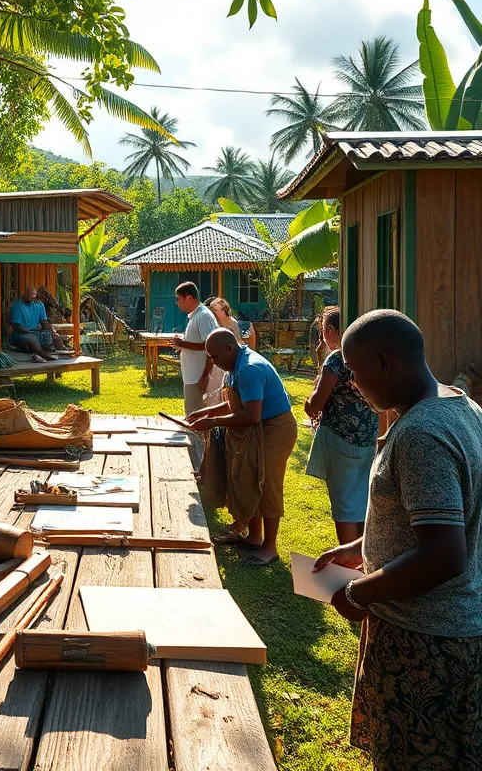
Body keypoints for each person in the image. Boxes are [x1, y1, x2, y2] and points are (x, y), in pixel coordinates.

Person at [313, 310, 482, 770]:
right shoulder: (463, 407)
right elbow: (443, 518)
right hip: (452, 628)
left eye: (355, 371)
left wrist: (358, 592)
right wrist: (361, 549)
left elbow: (443, 555)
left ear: (385, 362)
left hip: (424, 641)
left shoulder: (420, 434)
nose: (354, 384)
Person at [186, 327, 298, 566]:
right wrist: (203, 413)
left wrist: (212, 422)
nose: (214, 362)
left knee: (267, 484)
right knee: (250, 476)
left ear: (229, 348)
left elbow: (250, 414)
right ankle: (254, 537)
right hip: (258, 426)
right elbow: (233, 404)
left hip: (275, 428)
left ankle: (270, 547)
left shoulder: (249, 368)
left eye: (215, 357)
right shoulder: (233, 366)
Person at [304, 306, 378, 545]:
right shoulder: (370, 353)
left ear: (332, 330)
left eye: (323, 332)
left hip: (341, 440)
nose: (322, 337)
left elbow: (316, 402)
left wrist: (308, 406)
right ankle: (363, 558)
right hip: (368, 438)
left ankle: (348, 565)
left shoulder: (337, 359)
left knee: (345, 506)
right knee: (362, 502)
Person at [171, 282, 218, 471]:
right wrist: (182, 343)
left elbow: (211, 347)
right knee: (194, 418)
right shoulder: (196, 316)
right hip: (192, 376)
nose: (178, 304)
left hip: (198, 377)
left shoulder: (203, 316)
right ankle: (200, 462)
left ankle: (200, 465)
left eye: (179, 299)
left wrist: (205, 375)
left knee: (196, 420)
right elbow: (198, 342)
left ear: (188, 297)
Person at [204, 296, 243, 405]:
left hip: (227, 360)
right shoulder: (214, 323)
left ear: (224, 310)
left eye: (215, 310)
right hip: (217, 359)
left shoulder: (232, 323)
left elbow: (238, 342)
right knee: (213, 386)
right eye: (211, 311)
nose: (213, 313)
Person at [9, 285, 59, 362]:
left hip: (34, 332)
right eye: (29, 295)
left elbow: (44, 321)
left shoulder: (39, 304)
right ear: (25, 294)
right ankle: (42, 354)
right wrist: (29, 332)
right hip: (21, 333)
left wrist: (51, 330)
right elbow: (16, 325)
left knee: (52, 337)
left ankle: (30, 349)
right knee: (31, 339)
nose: (31, 298)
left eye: (33, 297)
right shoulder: (18, 305)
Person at [35, 285, 71, 351]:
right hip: (42, 326)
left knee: (55, 335)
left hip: (48, 323)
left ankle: (61, 343)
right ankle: (60, 344)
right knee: (54, 337)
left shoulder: (44, 304)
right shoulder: (39, 305)